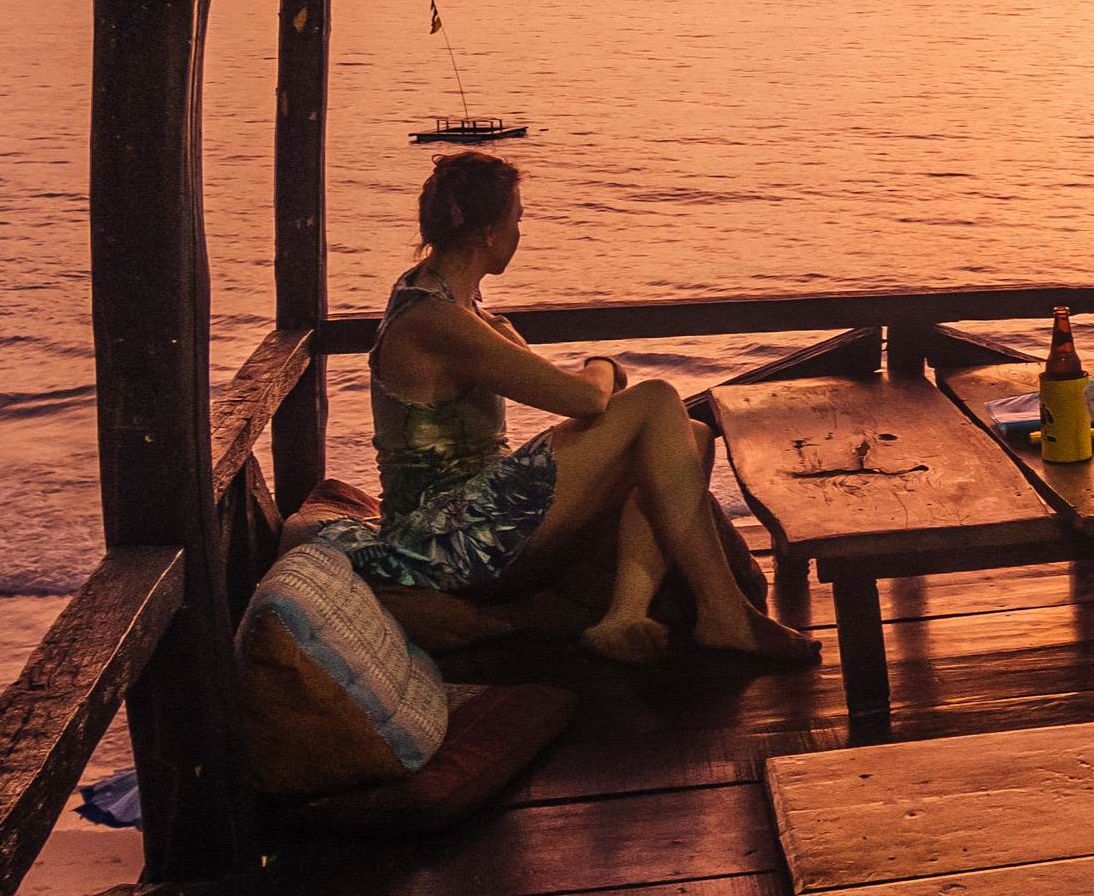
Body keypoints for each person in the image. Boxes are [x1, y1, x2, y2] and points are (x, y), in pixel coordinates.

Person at [334, 150, 818, 668]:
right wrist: (603, 361)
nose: (521, 233)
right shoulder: (434, 320)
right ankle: (724, 614)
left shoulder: (441, 298)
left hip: (470, 511)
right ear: (491, 233)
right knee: (656, 399)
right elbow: (584, 398)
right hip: (441, 539)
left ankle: (624, 617)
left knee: (691, 435)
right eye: (518, 220)